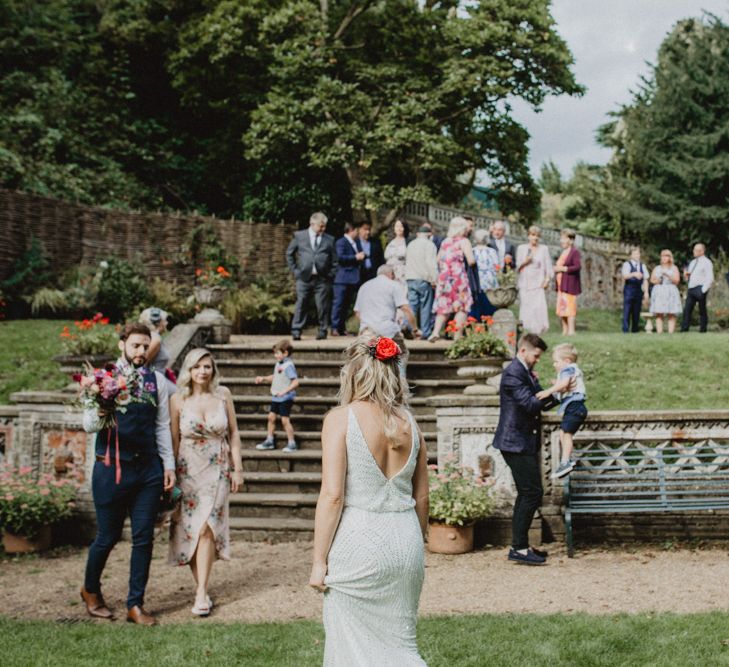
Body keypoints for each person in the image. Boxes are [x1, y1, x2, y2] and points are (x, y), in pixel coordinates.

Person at [309, 336, 429, 666]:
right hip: (405, 542)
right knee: (401, 646)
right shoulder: (411, 423)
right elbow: (421, 495)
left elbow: (332, 496)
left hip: (358, 543)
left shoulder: (340, 418)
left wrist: (319, 561)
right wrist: (417, 540)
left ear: (353, 375)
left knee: (352, 649)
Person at [80, 323, 176, 625]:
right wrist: (102, 406)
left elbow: (161, 426)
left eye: (145, 345)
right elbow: (88, 426)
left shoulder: (157, 381)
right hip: (111, 468)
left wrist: (168, 466)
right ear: (122, 344)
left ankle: (135, 604)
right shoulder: (102, 379)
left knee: (143, 538)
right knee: (107, 537)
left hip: (147, 470)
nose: (141, 351)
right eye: (135, 345)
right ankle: (90, 590)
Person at [168, 348, 243, 616]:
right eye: (197, 366)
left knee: (208, 528)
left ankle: (201, 593)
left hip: (218, 468)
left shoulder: (223, 395)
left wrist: (238, 469)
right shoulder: (177, 399)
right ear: (188, 370)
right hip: (188, 469)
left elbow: (233, 434)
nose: (202, 371)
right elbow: (174, 439)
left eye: (207, 367)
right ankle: (202, 587)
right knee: (192, 530)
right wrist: (171, 473)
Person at [492, 333, 571, 566]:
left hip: (522, 441)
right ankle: (518, 547)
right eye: (536, 355)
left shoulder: (524, 371)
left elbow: (539, 399)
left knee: (528, 492)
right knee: (531, 492)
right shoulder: (513, 374)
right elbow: (530, 404)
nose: (538, 360)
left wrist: (558, 394)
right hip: (514, 443)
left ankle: (521, 545)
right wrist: (558, 390)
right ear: (524, 351)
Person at [536, 343, 588, 479]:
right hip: (573, 407)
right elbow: (564, 388)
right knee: (562, 433)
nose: (554, 365)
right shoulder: (569, 371)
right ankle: (566, 460)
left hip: (575, 406)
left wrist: (548, 391)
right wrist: (556, 385)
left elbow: (564, 385)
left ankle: (565, 462)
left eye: (556, 361)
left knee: (567, 435)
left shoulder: (568, 370)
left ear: (567, 361)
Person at [354, 264, 417, 374]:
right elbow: (405, 308)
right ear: (391, 274)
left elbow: (357, 312)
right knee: (402, 353)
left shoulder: (364, 286)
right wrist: (415, 328)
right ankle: (400, 384)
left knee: (368, 360)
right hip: (387, 330)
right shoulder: (393, 285)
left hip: (366, 331)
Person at [286, 212, 338, 341]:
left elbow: (335, 260)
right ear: (312, 224)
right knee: (301, 303)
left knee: (322, 306)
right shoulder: (300, 236)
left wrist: (331, 274)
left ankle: (322, 330)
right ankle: (296, 330)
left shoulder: (329, 239)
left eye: (324, 226)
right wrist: (296, 271)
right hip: (304, 277)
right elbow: (289, 254)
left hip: (322, 278)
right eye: (321, 226)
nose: (323, 229)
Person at [429, 216, 476, 342]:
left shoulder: (445, 241)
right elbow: (471, 261)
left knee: (443, 306)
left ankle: (435, 332)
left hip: (444, 278)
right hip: (458, 277)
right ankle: (457, 336)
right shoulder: (464, 241)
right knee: (462, 306)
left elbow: (438, 260)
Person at [254, 340, 300, 452]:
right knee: (271, 417)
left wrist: (285, 391)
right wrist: (263, 378)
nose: (276, 355)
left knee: (285, 420)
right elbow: (275, 376)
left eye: (278, 353)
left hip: (285, 398)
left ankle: (292, 443)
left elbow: (296, 382)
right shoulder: (279, 364)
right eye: (275, 353)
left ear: (286, 353)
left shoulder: (288, 365)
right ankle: (269, 440)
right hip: (276, 396)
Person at [516, 226, 553, 334]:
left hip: (538, 282)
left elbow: (549, 268)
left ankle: (539, 329)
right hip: (525, 282)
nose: (535, 238)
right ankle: (526, 327)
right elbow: (517, 267)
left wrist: (546, 280)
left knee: (538, 306)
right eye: (533, 235)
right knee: (526, 305)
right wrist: (525, 261)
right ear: (528, 236)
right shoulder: (521, 248)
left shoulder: (544, 249)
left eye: (537, 236)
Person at [331, 223, 365, 336]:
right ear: (352, 230)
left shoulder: (356, 242)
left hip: (353, 278)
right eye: (357, 230)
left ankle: (341, 327)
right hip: (343, 278)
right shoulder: (341, 242)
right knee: (339, 303)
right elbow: (340, 257)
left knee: (346, 305)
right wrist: (355, 257)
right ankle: (335, 327)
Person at [405, 225, 438, 339]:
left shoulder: (411, 244)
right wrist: (434, 279)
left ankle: (408, 327)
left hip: (410, 277)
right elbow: (431, 264)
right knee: (425, 306)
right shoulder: (429, 245)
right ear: (429, 234)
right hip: (423, 278)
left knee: (412, 305)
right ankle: (425, 331)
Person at [139, 306, 176, 394]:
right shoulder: (155, 339)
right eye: (165, 320)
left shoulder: (155, 337)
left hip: (161, 378)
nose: (167, 323)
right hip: (156, 381)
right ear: (159, 323)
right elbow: (143, 363)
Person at [554, 229, 582, 336]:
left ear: (571, 240)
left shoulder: (574, 252)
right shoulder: (563, 252)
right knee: (562, 307)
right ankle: (564, 330)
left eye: (564, 238)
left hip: (570, 284)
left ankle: (571, 330)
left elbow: (577, 266)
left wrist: (562, 269)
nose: (561, 241)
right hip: (562, 285)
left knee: (570, 308)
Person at [681, 243, 714, 333]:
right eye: (694, 250)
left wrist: (703, 290)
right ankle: (684, 328)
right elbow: (691, 275)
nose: (694, 252)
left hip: (700, 288)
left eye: (696, 250)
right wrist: (686, 276)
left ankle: (703, 329)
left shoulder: (707, 262)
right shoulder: (693, 262)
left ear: (702, 251)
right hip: (691, 288)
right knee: (687, 309)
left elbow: (710, 277)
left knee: (702, 309)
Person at [649, 249, 682, 334]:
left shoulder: (674, 268)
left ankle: (670, 332)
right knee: (659, 312)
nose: (664, 258)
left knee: (671, 313)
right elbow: (652, 280)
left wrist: (667, 274)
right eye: (662, 256)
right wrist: (657, 281)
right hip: (659, 291)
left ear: (670, 258)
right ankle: (659, 332)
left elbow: (677, 280)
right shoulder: (657, 268)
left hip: (670, 290)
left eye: (666, 256)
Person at [470, 228, 499, 320]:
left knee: (477, 304)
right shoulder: (492, 251)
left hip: (476, 281)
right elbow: (497, 267)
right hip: (490, 282)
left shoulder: (472, 251)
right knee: (489, 304)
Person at [621, 246, 649, 333]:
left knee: (636, 310)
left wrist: (646, 292)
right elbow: (625, 276)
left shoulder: (642, 266)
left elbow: (645, 279)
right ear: (631, 255)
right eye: (635, 254)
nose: (637, 255)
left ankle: (635, 329)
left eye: (638, 253)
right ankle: (625, 329)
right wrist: (634, 274)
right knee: (627, 310)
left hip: (638, 289)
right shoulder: (627, 264)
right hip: (629, 289)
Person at [384, 218, 410, 288]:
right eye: (397, 226)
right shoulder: (390, 242)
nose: (399, 229)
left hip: (402, 274)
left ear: (404, 228)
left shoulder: (408, 242)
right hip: (389, 273)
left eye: (401, 226)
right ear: (394, 228)